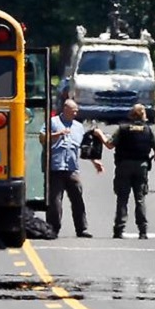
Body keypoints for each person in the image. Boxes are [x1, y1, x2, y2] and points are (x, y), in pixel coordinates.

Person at [94, 104, 155, 239]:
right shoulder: (148, 130)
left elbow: (109, 145)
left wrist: (99, 134)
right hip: (141, 166)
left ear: (131, 115)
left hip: (124, 165)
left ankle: (119, 229)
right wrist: (152, 158)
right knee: (140, 198)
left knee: (122, 198)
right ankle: (143, 230)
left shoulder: (123, 129)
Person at [39, 99, 102, 238]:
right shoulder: (53, 122)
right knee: (55, 201)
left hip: (72, 168)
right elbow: (42, 138)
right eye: (74, 110)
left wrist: (95, 161)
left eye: (76, 110)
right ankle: (53, 229)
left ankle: (82, 229)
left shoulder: (78, 126)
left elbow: (83, 147)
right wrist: (58, 134)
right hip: (55, 168)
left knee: (78, 199)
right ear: (66, 109)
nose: (76, 112)